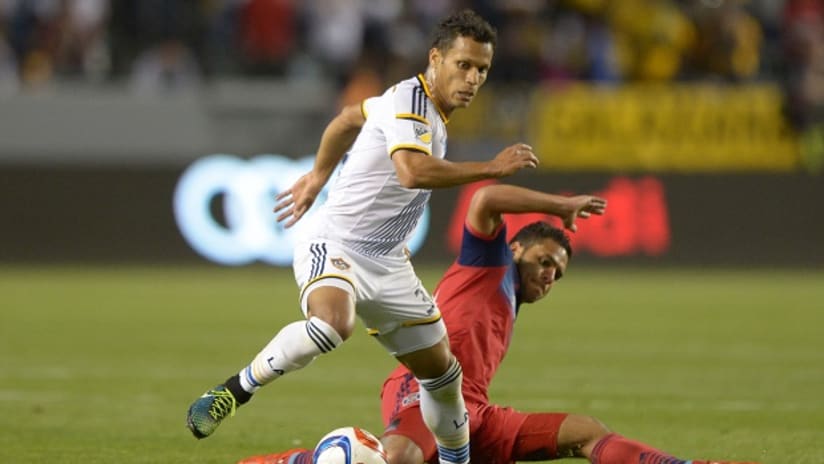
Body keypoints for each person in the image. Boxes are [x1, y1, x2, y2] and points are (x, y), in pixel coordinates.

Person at [186, 10, 540, 464]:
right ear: (436, 58)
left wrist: (317, 175)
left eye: (482, 70)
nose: (472, 78)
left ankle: (456, 461)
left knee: (444, 374)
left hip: (388, 262)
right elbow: (412, 172)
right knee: (334, 324)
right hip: (336, 245)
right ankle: (232, 392)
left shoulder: (414, 107)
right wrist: (491, 167)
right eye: (463, 65)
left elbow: (347, 119)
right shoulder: (411, 100)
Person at [237, 183, 758, 464]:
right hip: (423, 391)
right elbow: (485, 198)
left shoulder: (509, 296)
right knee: (397, 461)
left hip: (474, 413)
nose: (550, 274)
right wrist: (561, 205)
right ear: (514, 249)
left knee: (586, 433)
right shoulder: (487, 265)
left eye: (559, 271)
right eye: (544, 260)